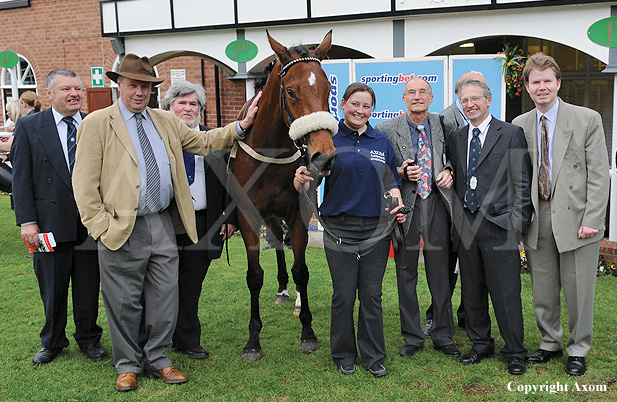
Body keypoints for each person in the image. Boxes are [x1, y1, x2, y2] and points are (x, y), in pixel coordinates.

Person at [72, 54, 260, 392]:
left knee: (164, 296)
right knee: (124, 301)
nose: (140, 92)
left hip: (162, 222)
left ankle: (158, 359)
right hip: (120, 225)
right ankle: (128, 364)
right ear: (120, 85)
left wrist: (240, 127)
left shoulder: (164, 120)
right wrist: (100, 226)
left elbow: (203, 143)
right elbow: (83, 183)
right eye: (134, 85)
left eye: (146, 86)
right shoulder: (98, 123)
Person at [294, 82, 406, 378]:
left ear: (372, 109)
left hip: (376, 230)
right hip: (338, 229)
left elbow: (391, 181)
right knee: (343, 295)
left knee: (371, 295)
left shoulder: (381, 141)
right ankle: (344, 354)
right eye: (355, 103)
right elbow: (311, 180)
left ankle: (373, 356)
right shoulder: (327, 140)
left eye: (366, 105)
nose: (360, 110)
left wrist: (397, 204)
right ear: (343, 104)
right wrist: (301, 179)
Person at [512, 53, 609, 376]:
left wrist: (593, 219)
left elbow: (598, 173)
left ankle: (578, 348)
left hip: (578, 218)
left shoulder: (586, 118)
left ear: (558, 83)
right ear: (527, 87)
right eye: (535, 82)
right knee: (543, 286)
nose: (542, 87)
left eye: (547, 81)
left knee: (579, 288)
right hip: (538, 217)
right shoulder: (520, 125)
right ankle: (549, 342)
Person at [10, 69, 106, 365]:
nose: (74, 93)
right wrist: (27, 222)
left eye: (77, 88)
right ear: (49, 93)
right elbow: (21, 178)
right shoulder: (28, 127)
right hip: (47, 225)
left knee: (89, 285)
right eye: (66, 89)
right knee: (51, 286)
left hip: (91, 224)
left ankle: (89, 339)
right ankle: (52, 341)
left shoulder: (95, 123)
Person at [446, 79, 532, 375]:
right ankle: (480, 343)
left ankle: (515, 350)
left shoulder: (510, 133)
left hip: (499, 225)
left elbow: (522, 181)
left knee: (506, 291)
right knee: (471, 290)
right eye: (464, 101)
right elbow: (456, 174)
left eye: (475, 99)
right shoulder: (456, 137)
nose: (470, 105)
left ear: (488, 100)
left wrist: (517, 224)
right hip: (466, 225)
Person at [375, 77, 459, 358]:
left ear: (431, 97)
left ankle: (443, 334)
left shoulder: (443, 124)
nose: (417, 96)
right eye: (411, 92)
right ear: (403, 99)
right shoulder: (386, 129)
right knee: (405, 273)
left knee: (441, 273)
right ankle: (412, 337)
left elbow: (454, 157)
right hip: (405, 209)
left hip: (436, 203)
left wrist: (448, 169)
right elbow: (379, 169)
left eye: (423, 91)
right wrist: (399, 172)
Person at [160, 81, 236, 359]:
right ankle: (157, 339)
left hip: (204, 221)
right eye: (182, 102)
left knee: (191, 285)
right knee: (161, 285)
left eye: (194, 104)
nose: (188, 108)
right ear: (169, 107)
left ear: (201, 111)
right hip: (165, 223)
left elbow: (230, 181)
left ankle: (187, 340)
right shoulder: (158, 137)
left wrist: (230, 218)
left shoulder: (214, 140)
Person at [431, 72, 488, 334]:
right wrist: (449, 170)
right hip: (452, 206)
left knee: (473, 266)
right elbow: (441, 154)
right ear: (460, 95)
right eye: (467, 94)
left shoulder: (485, 120)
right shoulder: (446, 118)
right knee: (450, 265)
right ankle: (437, 315)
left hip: (478, 209)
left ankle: (467, 315)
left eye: (478, 92)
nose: (471, 100)